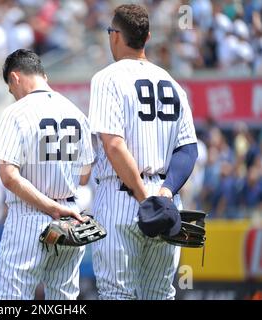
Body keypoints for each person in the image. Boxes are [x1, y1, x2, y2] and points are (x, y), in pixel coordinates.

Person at [88, 4, 198, 300]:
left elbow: (113, 143)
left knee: (116, 294)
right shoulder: (172, 83)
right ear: (147, 37)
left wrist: (143, 196)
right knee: (160, 294)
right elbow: (187, 148)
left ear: (114, 36)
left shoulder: (107, 78)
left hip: (123, 198)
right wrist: (165, 192)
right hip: (165, 202)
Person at [0, 49, 95, 300]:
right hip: (70, 219)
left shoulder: (16, 112)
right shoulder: (76, 113)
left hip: (29, 217)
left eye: (10, 87)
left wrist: (49, 206)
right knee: (63, 300)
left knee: (13, 300)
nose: (12, 94)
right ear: (43, 75)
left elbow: (9, 176)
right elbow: (84, 175)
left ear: (15, 78)